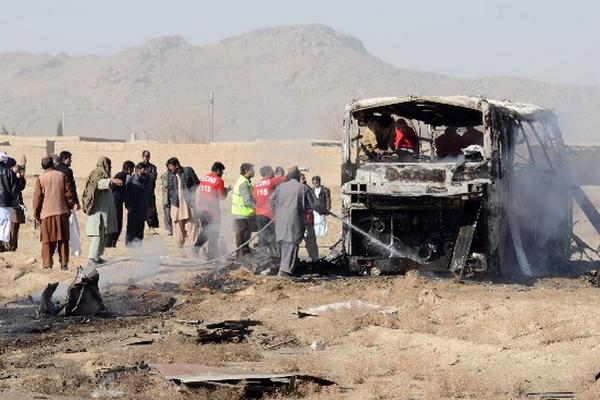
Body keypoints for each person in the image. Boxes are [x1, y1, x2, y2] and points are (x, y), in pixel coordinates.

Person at [271, 167, 327, 276]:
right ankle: (285, 272)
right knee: (291, 245)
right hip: (293, 222)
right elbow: (315, 204)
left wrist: (277, 212)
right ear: (297, 176)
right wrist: (323, 210)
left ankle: (287, 268)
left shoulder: (280, 187)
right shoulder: (303, 188)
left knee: (284, 245)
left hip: (280, 222)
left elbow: (272, 201)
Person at [33, 156, 75, 269]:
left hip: (46, 215)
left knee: (47, 241)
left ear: (42, 166)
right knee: (63, 240)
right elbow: (69, 195)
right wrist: (69, 208)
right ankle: (64, 264)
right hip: (62, 213)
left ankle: (47, 265)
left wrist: (37, 215)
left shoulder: (41, 179)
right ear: (53, 164)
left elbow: (37, 199)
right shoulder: (62, 176)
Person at [81, 157, 123, 265]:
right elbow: (97, 184)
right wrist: (111, 181)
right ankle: (92, 258)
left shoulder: (103, 174)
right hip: (97, 213)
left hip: (102, 213)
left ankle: (97, 256)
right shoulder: (97, 173)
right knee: (96, 236)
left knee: (102, 235)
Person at [194, 162, 228, 259]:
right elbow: (221, 197)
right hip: (212, 212)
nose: (222, 173)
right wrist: (226, 192)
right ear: (218, 170)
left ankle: (197, 246)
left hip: (201, 209)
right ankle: (211, 256)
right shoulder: (219, 180)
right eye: (222, 171)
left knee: (206, 231)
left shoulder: (204, 178)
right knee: (213, 233)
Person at [253, 165, 286, 257]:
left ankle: (263, 257)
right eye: (272, 171)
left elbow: (254, 198)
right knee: (273, 237)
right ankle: (275, 257)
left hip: (259, 215)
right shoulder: (271, 182)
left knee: (262, 237)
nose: (273, 173)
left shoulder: (256, 184)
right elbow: (286, 178)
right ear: (267, 173)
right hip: (269, 215)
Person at [166, 157, 200, 248]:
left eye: (171, 167)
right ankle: (180, 249)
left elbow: (196, 183)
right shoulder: (170, 175)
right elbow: (169, 189)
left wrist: (190, 193)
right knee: (177, 226)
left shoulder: (188, 171)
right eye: (168, 167)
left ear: (176, 165)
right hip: (176, 204)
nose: (170, 169)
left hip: (188, 202)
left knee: (193, 225)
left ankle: (196, 248)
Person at [106, 161, 134, 247]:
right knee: (117, 223)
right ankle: (110, 242)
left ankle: (111, 242)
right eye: (132, 169)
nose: (133, 171)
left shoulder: (120, 175)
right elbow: (114, 188)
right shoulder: (122, 176)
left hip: (116, 202)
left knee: (117, 222)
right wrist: (127, 204)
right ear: (128, 169)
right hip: (116, 202)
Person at [231, 163, 256, 258]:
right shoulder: (243, 183)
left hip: (241, 216)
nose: (253, 172)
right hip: (242, 217)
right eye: (252, 170)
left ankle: (242, 259)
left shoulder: (245, 181)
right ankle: (241, 262)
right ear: (246, 171)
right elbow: (247, 202)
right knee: (242, 242)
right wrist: (258, 208)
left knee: (243, 242)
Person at [125, 162, 150, 246]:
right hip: (133, 208)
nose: (146, 171)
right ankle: (130, 246)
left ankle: (139, 247)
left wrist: (150, 205)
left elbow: (150, 194)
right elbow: (127, 194)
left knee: (140, 229)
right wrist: (128, 205)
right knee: (131, 229)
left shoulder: (147, 180)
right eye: (144, 169)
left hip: (143, 208)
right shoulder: (131, 179)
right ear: (138, 169)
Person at [6, 157, 26, 251]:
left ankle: (12, 247)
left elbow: (20, 187)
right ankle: (10, 247)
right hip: (10, 205)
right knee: (11, 227)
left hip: (15, 205)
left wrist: (21, 176)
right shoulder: (6, 175)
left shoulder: (12, 175)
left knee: (15, 227)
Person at [0, 152, 18, 251]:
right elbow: (14, 189)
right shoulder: (9, 172)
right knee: (5, 226)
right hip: (6, 203)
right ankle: (2, 246)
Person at [300, 173, 319, 262]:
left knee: (311, 242)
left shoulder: (308, 189)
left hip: (308, 221)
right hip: (298, 222)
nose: (304, 180)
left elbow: (315, 202)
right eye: (302, 179)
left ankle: (315, 259)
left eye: (304, 178)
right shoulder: (295, 190)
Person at [141, 150, 159, 234]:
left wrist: (145, 174)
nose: (146, 158)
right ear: (142, 157)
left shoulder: (153, 167)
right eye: (145, 156)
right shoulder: (139, 166)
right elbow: (138, 177)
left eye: (148, 156)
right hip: (141, 192)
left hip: (150, 192)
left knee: (151, 209)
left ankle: (151, 226)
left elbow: (153, 177)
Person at [160, 167, 173, 236]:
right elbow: (165, 185)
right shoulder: (165, 175)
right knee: (167, 214)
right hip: (166, 198)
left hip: (174, 198)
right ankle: (169, 228)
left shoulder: (176, 175)